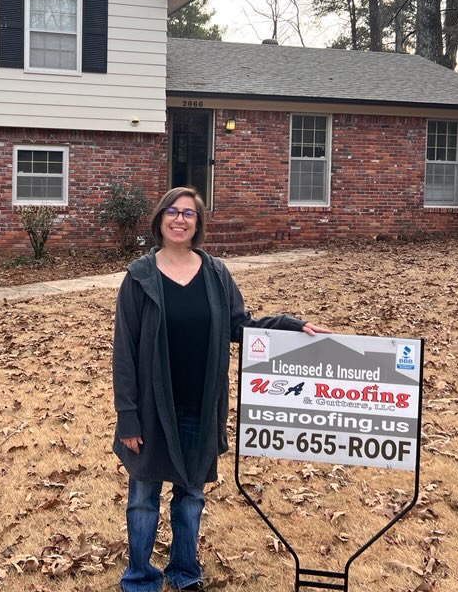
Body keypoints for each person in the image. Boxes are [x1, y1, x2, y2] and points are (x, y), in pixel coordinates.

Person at [112, 186, 330, 592]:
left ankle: (184, 572)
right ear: (160, 219)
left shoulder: (215, 273)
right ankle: (139, 577)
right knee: (143, 496)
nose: (179, 220)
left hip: (200, 403)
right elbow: (125, 350)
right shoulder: (140, 277)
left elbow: (238, 326)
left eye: (188, 214)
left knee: (191, 493)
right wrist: (128, 416)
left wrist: (287, 325)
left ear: (198, 223)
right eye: (172, 212)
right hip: (152, 407)